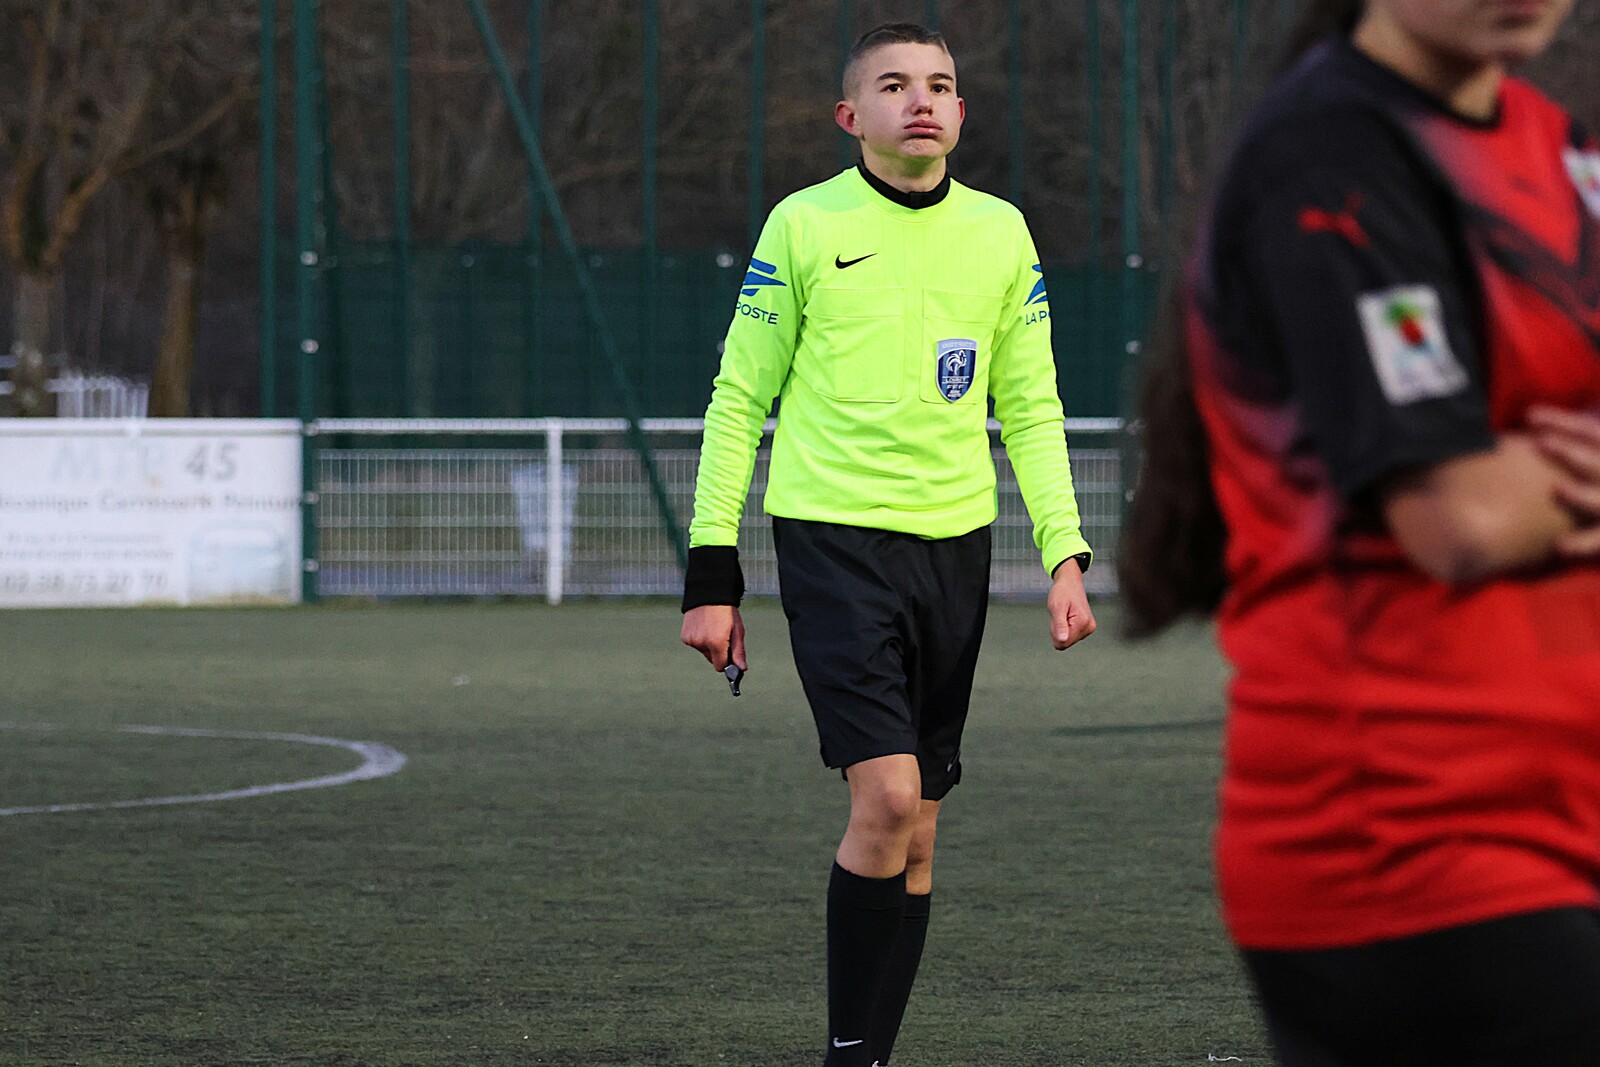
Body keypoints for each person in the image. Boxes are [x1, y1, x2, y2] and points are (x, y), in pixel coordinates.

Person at [1120, 1, 1600, 1063]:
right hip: (1415, 841)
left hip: (1558, 817)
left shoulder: (1556, 145)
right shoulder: (1330, 158)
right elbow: (1460, 515)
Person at [679, 22, 1096, 1067]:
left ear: (960, 111)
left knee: (921, 829)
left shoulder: (1000, 232)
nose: (922, 101)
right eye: (896, 84)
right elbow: (737, 399)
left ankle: (869, 1056)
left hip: (955, 548)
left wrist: (1065, 553)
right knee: (890, 797)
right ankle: (848, 1056)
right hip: (833, 542)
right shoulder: (803, 223)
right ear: (849, 115)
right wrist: (711, 570)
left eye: (941, 85)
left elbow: (1031, 405)